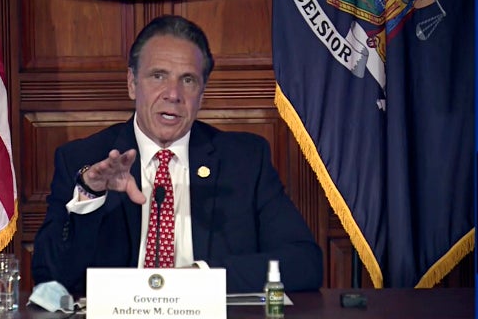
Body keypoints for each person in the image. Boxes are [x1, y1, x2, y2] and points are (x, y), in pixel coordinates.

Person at [32, 15, 323, 295]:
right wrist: (90, 195)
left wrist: (202, 278)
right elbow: (50, 277)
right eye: (158, 76)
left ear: (202, 93)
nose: (173, 94)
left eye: (188, 80)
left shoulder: (244, 161)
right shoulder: (84, 160)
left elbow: (304, 263)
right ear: (133, 84)